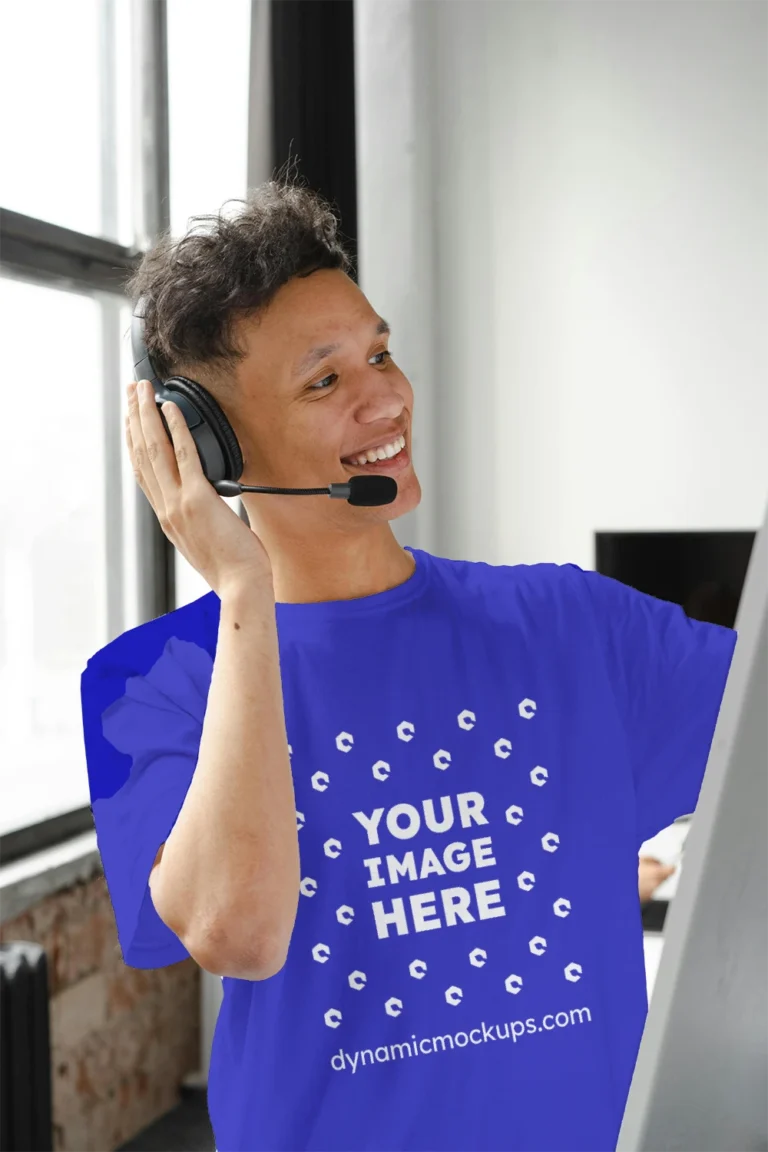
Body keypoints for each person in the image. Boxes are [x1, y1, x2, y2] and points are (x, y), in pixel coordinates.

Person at [80, 177, 738, 1152]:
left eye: (379, 352)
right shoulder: (151, 684)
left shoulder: (572, 625)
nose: (385, 394)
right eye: (325, 380)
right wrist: (243, 594)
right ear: (212, 446)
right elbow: (241, 930)